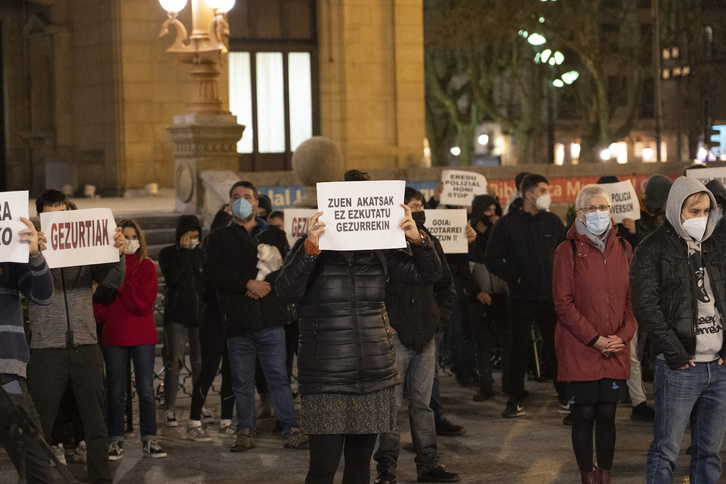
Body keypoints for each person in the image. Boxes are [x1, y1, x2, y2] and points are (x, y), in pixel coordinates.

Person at [276, 172, 442, 484]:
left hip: (373, 375)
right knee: (323, 469)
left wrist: (417, 237)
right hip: (326, 377)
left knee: (358, 468)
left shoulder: (382, 249)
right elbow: (285, 290)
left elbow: (429, 274)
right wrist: (310, 246)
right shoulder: (312, 245)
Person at [631, 176, 726, 484]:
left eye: (705, 211)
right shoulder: (651, 248)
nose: (701, 218)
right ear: (676, 209)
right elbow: (646, 306)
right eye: (693, 211)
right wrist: (674, 352)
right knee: (665, 450)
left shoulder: (716, 244)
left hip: (719, 367)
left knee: (709, 452)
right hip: (680, 367)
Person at [28, 189, 124, 483]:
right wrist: (35, 255)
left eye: (63, 215)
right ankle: (35, 479)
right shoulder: (29, 249)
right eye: (51, 216)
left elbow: (111, 278)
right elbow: (27, 286)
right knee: (39, 425)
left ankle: (100, 479)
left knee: (96, 424)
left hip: (85, 343)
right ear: (42, 219)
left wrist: (117, 252)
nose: (59, 222)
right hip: (46, 348)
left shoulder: (84, 248)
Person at [205, 181, 308, 452]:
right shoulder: (218, 237)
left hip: (270, 320)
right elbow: (216, 271)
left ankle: (290, 428)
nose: (242, 200)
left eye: (246, 196)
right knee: (242, 381)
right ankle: (245, 431)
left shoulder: (273, 234)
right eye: (236, 197)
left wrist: (266, 285)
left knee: (279, 378)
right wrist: (247, 284)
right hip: (238, 323)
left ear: (256, 202)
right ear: (229, 204)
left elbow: (286, 269)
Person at [373, 187, 460, 484]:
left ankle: (428, 465)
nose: (417, 210)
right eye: (411, 205)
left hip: (425, 336)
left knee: (423, 406)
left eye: (420, 205)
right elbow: (374, 291)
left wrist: (438, 320)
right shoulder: (383, 246)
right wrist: (386, 323)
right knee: (390, 407)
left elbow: (445, 285)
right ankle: (386, 469)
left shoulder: (429, 241)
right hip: (394, 339)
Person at [553, 184, 637, 484]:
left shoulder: (625, 250)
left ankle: (606, 475)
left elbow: (632, 302)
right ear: (580, 214)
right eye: (592, 208)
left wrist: (622, 336)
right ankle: (587, 476)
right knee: (585, 413)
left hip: (615, 347)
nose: (599, 213)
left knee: (608, 415)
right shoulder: (568, 251)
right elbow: (563, 303)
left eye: (604, 207)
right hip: (581, 348)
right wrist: (594, 339)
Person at [484, 174, 567, 418]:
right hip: (521, 297)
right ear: (528, 193)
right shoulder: (507, 224)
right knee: (518, 349)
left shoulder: (552, 221)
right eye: (542, 190)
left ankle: (565, 396)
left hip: (549, 296)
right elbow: (492, 259)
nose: (546, 194)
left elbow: (564, 253)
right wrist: (516, 277)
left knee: (556, 347)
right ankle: (515, 399)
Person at [93, 219, 167, 460]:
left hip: (142, 336)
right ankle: (115, 441)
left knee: (146, 389)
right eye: (125, 236)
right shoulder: (107, 266)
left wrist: (120, 285)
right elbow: (101, 304)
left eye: (133, 236)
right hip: (114, 335)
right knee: (115, 391)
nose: (130, 241)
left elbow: (144, 303)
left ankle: (149, 440)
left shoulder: (146, 265)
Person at [595, 176, 654, 423]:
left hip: (626, 295)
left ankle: (638, 401)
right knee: (595, 348)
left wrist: (634, 231)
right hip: (597, 297)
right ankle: (592, 400)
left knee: (629, 351)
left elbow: (649, 251)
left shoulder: (636, 220)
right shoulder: (588, 219)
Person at [0, 217, 53, 483]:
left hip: (7, 377)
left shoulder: (9, 253)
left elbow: (42, 296)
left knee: (35, 463)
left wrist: (34, 254)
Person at [186, 205, 236, 442]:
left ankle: (227, 420)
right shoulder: (209, 255)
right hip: (213, 316)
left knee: (231, 370)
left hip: (234, 317)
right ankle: (194, 421)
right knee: (209, 368)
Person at [159, 215, 204, 428]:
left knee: (199, 364)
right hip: (177, 316)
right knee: (175, 362)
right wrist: (184, 252)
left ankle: (199, 405)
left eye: (196, 237)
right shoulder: (168, 253)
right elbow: (173, 278)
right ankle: (170, 408)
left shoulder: (202, 253)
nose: (193, 240)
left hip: (199, 317)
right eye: (190, 236)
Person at [467, 194, 510, 401]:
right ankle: (485, 385)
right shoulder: (468, 233)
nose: (491, 215)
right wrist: (475, 291)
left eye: (494, 211)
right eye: (487, 211)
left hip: (502, 293)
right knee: (482, 344)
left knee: (507, 340)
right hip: (479, 295)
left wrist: (498, 227)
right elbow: (462, 267)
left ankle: (510, 385)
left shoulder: (500, 229)